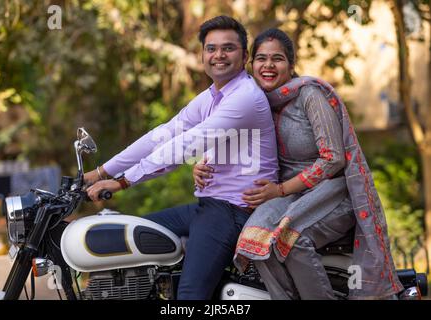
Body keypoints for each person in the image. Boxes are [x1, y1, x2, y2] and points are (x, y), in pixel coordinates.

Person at [193, 28, 403, 299]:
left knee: (290, 238)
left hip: (330, 194)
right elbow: (227, 143)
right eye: (261, 58)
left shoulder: (309, 96)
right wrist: (203, 164)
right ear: (251, 63)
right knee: (258, 241)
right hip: (289, 197)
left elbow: (333, 158)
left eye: (277, 58)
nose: (268, 65)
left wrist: (279, 190)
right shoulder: (254, 101)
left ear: (291, 65)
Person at [84, 16, 279, 300]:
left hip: (233, 211)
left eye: (228, 48)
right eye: (211, 49)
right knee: (135, 236)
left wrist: (123, 182)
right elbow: (164, 134)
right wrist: (101, 171)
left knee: (189, 297)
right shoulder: (213, 96)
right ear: (202, 55)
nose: (218, 55)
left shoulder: (244, 96)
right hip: (211, 206)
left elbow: (187, 145)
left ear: (245, 56)